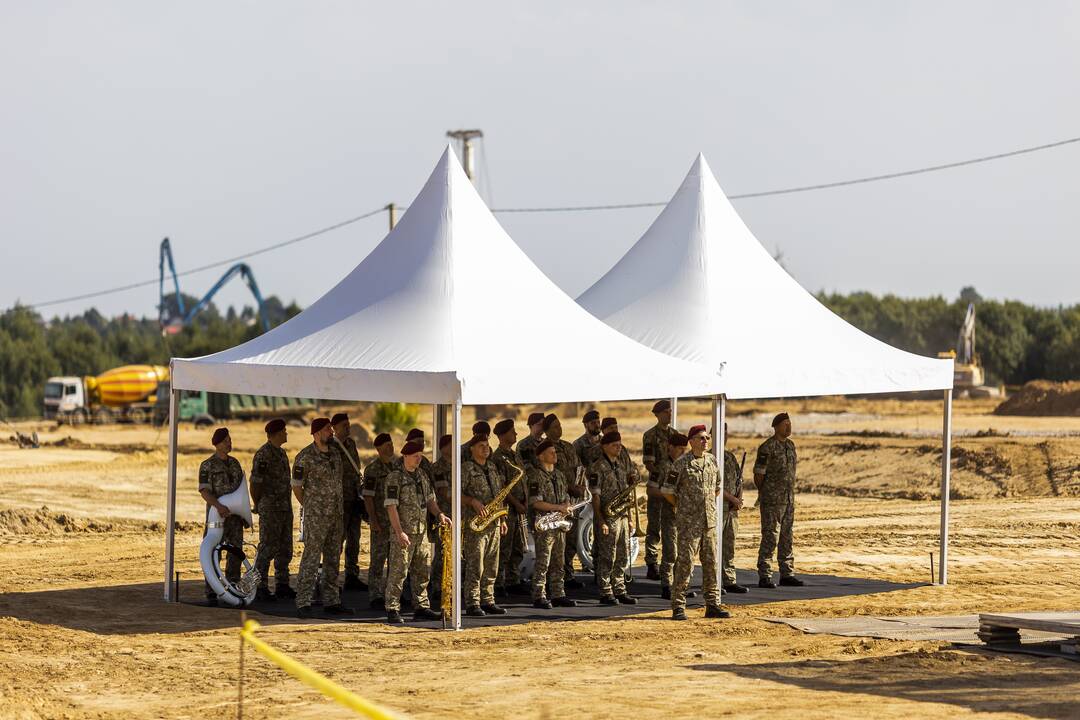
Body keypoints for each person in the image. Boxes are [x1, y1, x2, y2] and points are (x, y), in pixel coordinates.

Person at [664, 424, 729, 620]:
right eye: (701, 438)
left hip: (709, 522)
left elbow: (717, 488)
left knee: (711, 563)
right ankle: (678, 606)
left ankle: (712, 604)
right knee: (685, 564)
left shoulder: (712, 462)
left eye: (707, 438)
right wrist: (684, 508)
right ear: (691, 441)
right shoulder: (681, 464)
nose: (705, 441)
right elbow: (668, 492)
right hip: (689, 523)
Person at [292, 417, 353, 618]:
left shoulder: (335, 455)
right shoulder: (305, 457)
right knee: (311, 558)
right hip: (316, 517)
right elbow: (297, 486)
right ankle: (303, 601)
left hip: (336, 515)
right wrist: (310, 506)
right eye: (327, 429)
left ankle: (332, 600)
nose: (331, 432)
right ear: (317, 433)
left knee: (333, 559)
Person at [383, 440, 450, 624]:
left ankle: (421, 606)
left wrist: (440, 515)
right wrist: (399, 532)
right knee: (399, 572)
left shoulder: (421, 475)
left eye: (420, 455)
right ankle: (392, 608)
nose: (419, 459)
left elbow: (430, 500)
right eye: (415, 456)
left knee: (422, 572)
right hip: (404, 533)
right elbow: (391, 507)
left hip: (421, 532)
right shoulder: (395, 478)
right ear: (405, 456)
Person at [588, 430, 639, 605]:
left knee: (623, 554)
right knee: (607, 555)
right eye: (614, 445)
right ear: (605, 447)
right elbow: (595, 496)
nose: (619, 448)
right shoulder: (597, 467)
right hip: (608, 517)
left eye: (619, 445)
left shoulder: (622, 466)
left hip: (622, 516)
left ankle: (620, 588)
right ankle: (605, 590)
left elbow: (627, 496)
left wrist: (630, 518)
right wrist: (600, 520)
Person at [753, 412, 803, 588]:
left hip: (788, 500)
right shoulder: (767, 447)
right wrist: (767, 493)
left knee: (786, 536)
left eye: (790, 423)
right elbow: (758, 474)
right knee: (770, 537)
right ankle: (765, 575)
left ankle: (787, 573)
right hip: (772, 501)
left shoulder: (790, 446)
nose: (788, 427)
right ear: (776, 427)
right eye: (785, 424)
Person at [199, 427, 247, 605]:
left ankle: (232, 589)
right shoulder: (207, 465)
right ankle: (212, 591)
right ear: (217, 444)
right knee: (213, 553)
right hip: (216, 519)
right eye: (226, 440)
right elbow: (204, 491)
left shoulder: (235, 463)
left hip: (234, 519)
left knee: (235, 553)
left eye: (230, 439)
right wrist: (218, 506)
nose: (229, 443)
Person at [461, 435, 508, 616]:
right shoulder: (466, 468)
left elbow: (499, 495)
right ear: (472, 449)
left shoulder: (492, 467)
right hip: (476, 526)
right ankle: (473, 602)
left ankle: (488, 599)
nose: (486, 448)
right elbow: (454, 493)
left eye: (487, 445)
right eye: (481, 446)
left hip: (494, 524)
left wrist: (502, 519)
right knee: (476, 564)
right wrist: (472, 501)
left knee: (491, 565)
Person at [527, 439, 577, 609]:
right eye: (551, 452)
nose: (555, 455)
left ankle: (558, 593)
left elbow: (565, 496)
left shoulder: (560, 475)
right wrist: (558, 508)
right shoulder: (535, 476)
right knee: (543, 562)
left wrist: (567, 506)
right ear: (541, 456)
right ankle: (538, 595)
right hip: (545, 524)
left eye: (555, 452)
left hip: (560, 523)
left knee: (559, 561)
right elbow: (535, 502)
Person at [250, 418, 294, 601]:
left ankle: (282, 584)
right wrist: (259, 503)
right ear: (275, 434)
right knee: (267, 548)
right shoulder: (263, 455)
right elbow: (255, 483)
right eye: (284, 431)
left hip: (284, 507)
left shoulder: (282, 453)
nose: (286, 433)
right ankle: (259, 587)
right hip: (270, 509)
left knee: (285, 548)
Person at [543, 414, 585, 589]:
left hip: (571, 501)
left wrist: (580, 486)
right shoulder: (544, 448)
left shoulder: (568, 447)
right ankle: (548, 579)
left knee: (571, 540)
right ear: (546, 430)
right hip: (554, 501)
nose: (559, 429)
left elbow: (579, 468)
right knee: (552, 545)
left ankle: (567, 574)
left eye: (560, 426)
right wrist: (570, 487)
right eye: (554, 427)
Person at [490, 419, 530, 596]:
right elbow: (503, 486)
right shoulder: (498, 458)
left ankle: (513, 580)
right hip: (508, 508)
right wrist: (516, 504)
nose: (516, 434)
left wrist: (526, 502)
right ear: (502, 435)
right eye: (512, 432)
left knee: (518, 546)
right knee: (504, 548)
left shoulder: (515, 456)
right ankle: (499, 583)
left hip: (520, 507)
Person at [330, 412, 366, 592]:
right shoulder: (331, 446)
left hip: (354, 499)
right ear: (334, 428)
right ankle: (332, 579)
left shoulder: (351, 444)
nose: (348, 428)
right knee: (338, 541)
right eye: (344, 425)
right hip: (340, 501)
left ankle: (352, 575)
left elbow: (357, 467)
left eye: (349, 425)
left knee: (355, 539)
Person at [642, 400, 677, 580]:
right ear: (658, 414)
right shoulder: (650, 435)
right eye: (666, 412)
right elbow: (648, 461)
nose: (669, 414)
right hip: (657, 485)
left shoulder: (675, 434)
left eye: (670, 411)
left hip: (672, 486)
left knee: (671, 529)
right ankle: (652, 562)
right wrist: (659, 476)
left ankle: (669, 563)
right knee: (654, 526)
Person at [362, 433, 395, 610]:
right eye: (387, 445)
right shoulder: (372, 470)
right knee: (377, 560)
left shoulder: (396, 467)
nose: (391, 447)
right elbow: (368, 497)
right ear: (378, 448)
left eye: (392, 444)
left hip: (395, 523)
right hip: (381, 523)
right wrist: (373, 520)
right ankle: (375, 594)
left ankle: (391, 593)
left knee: (395, 561)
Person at [657, 432, 690, 600]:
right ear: (670, 447)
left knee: (684, 552)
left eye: (685, 449)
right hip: (669, 514)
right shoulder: (663, 466)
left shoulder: (687, 464)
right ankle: (666, 585)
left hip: (685, 516)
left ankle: (681, 586)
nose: (683, 452)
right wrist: (671, 497)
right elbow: (652, 489)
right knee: (671, 552)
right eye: (679, 449)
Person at [721, 422, 748, 594]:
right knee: (714, 547)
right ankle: (715, 580)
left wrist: (739, 498)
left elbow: (740, 479)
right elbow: (714, 486)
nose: (724, 437)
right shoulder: (710, 457)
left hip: (731, 510)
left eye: (726, 434)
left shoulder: (730, 457)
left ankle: (729, 579)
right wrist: (732, 498)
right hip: (719, 509)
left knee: (729, 545)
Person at [430, 434, 454, 609]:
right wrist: (466, 498)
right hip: (445, 514)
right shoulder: (438, 468)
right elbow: (444, 493)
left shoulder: (459, 466)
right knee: (442, 553)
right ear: (444, 447)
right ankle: (437, 586)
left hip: (459, 515)